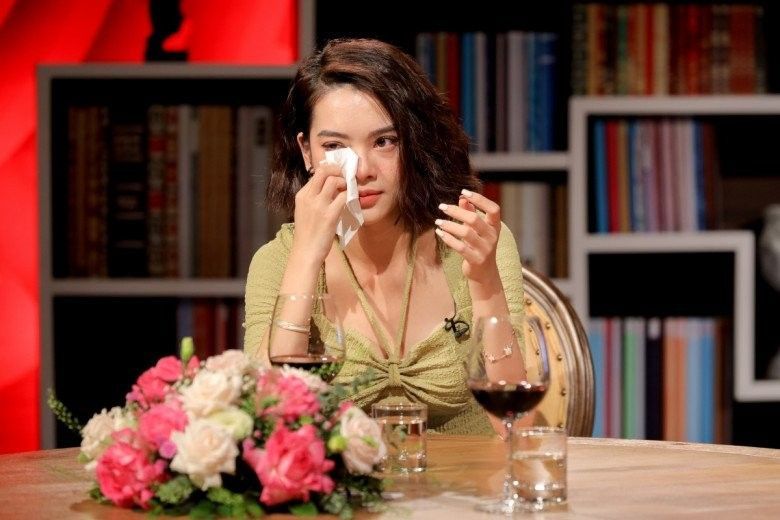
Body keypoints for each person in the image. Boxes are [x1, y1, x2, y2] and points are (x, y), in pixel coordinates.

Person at [244, 38, 527, 435]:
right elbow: (265, 420)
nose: (363, 170)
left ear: (413, 143)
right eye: (335, 146)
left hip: (474, 473)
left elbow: (516, 421)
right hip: (349, 477)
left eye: (384, 142)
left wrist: (484, 282)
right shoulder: (277, 260)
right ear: (307, 152)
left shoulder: (469, 238)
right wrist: (306, 257)